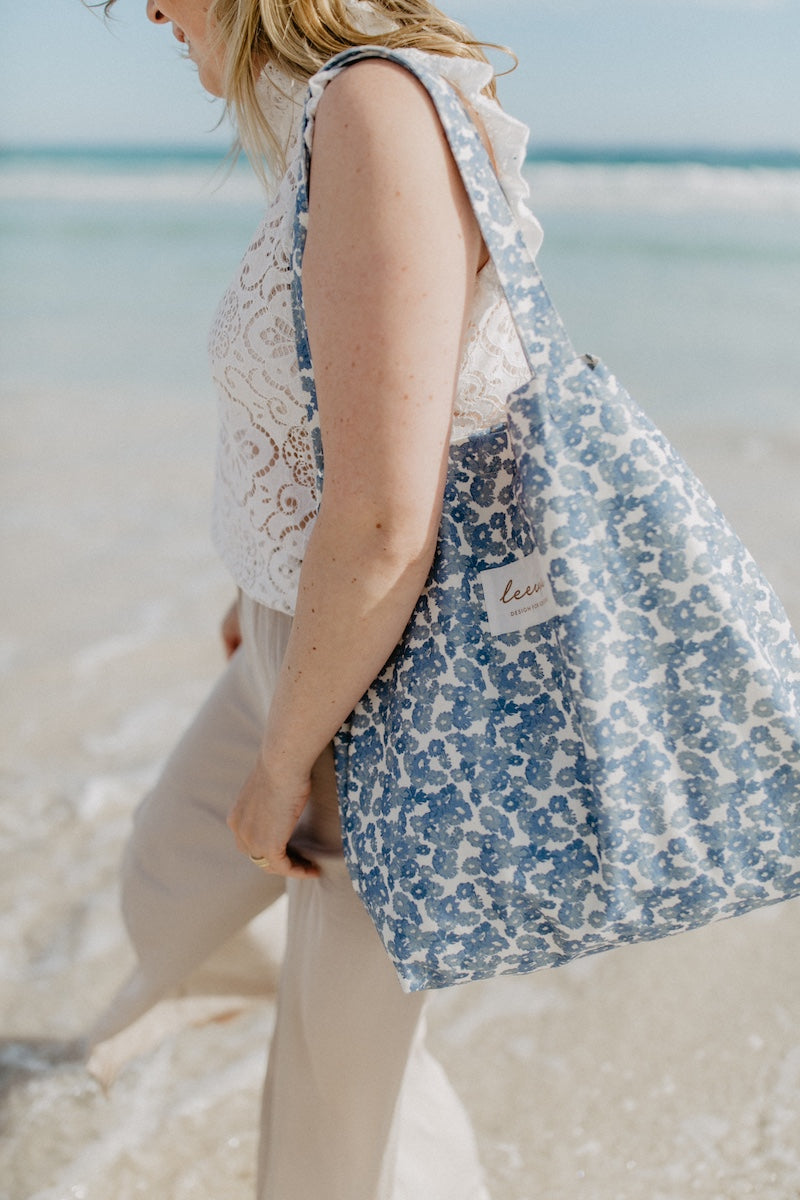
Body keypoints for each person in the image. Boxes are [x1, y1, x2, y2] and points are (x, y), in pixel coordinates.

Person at [88, 1, 543, 1195]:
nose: (145, 9)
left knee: (335, 1122)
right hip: (298, 633)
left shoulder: (376, 108)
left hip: (370, 678)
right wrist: (253, 590)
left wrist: (284, 762)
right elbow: (320, 425)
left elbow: (389, 516)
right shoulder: (330, 113)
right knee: (170, 874)